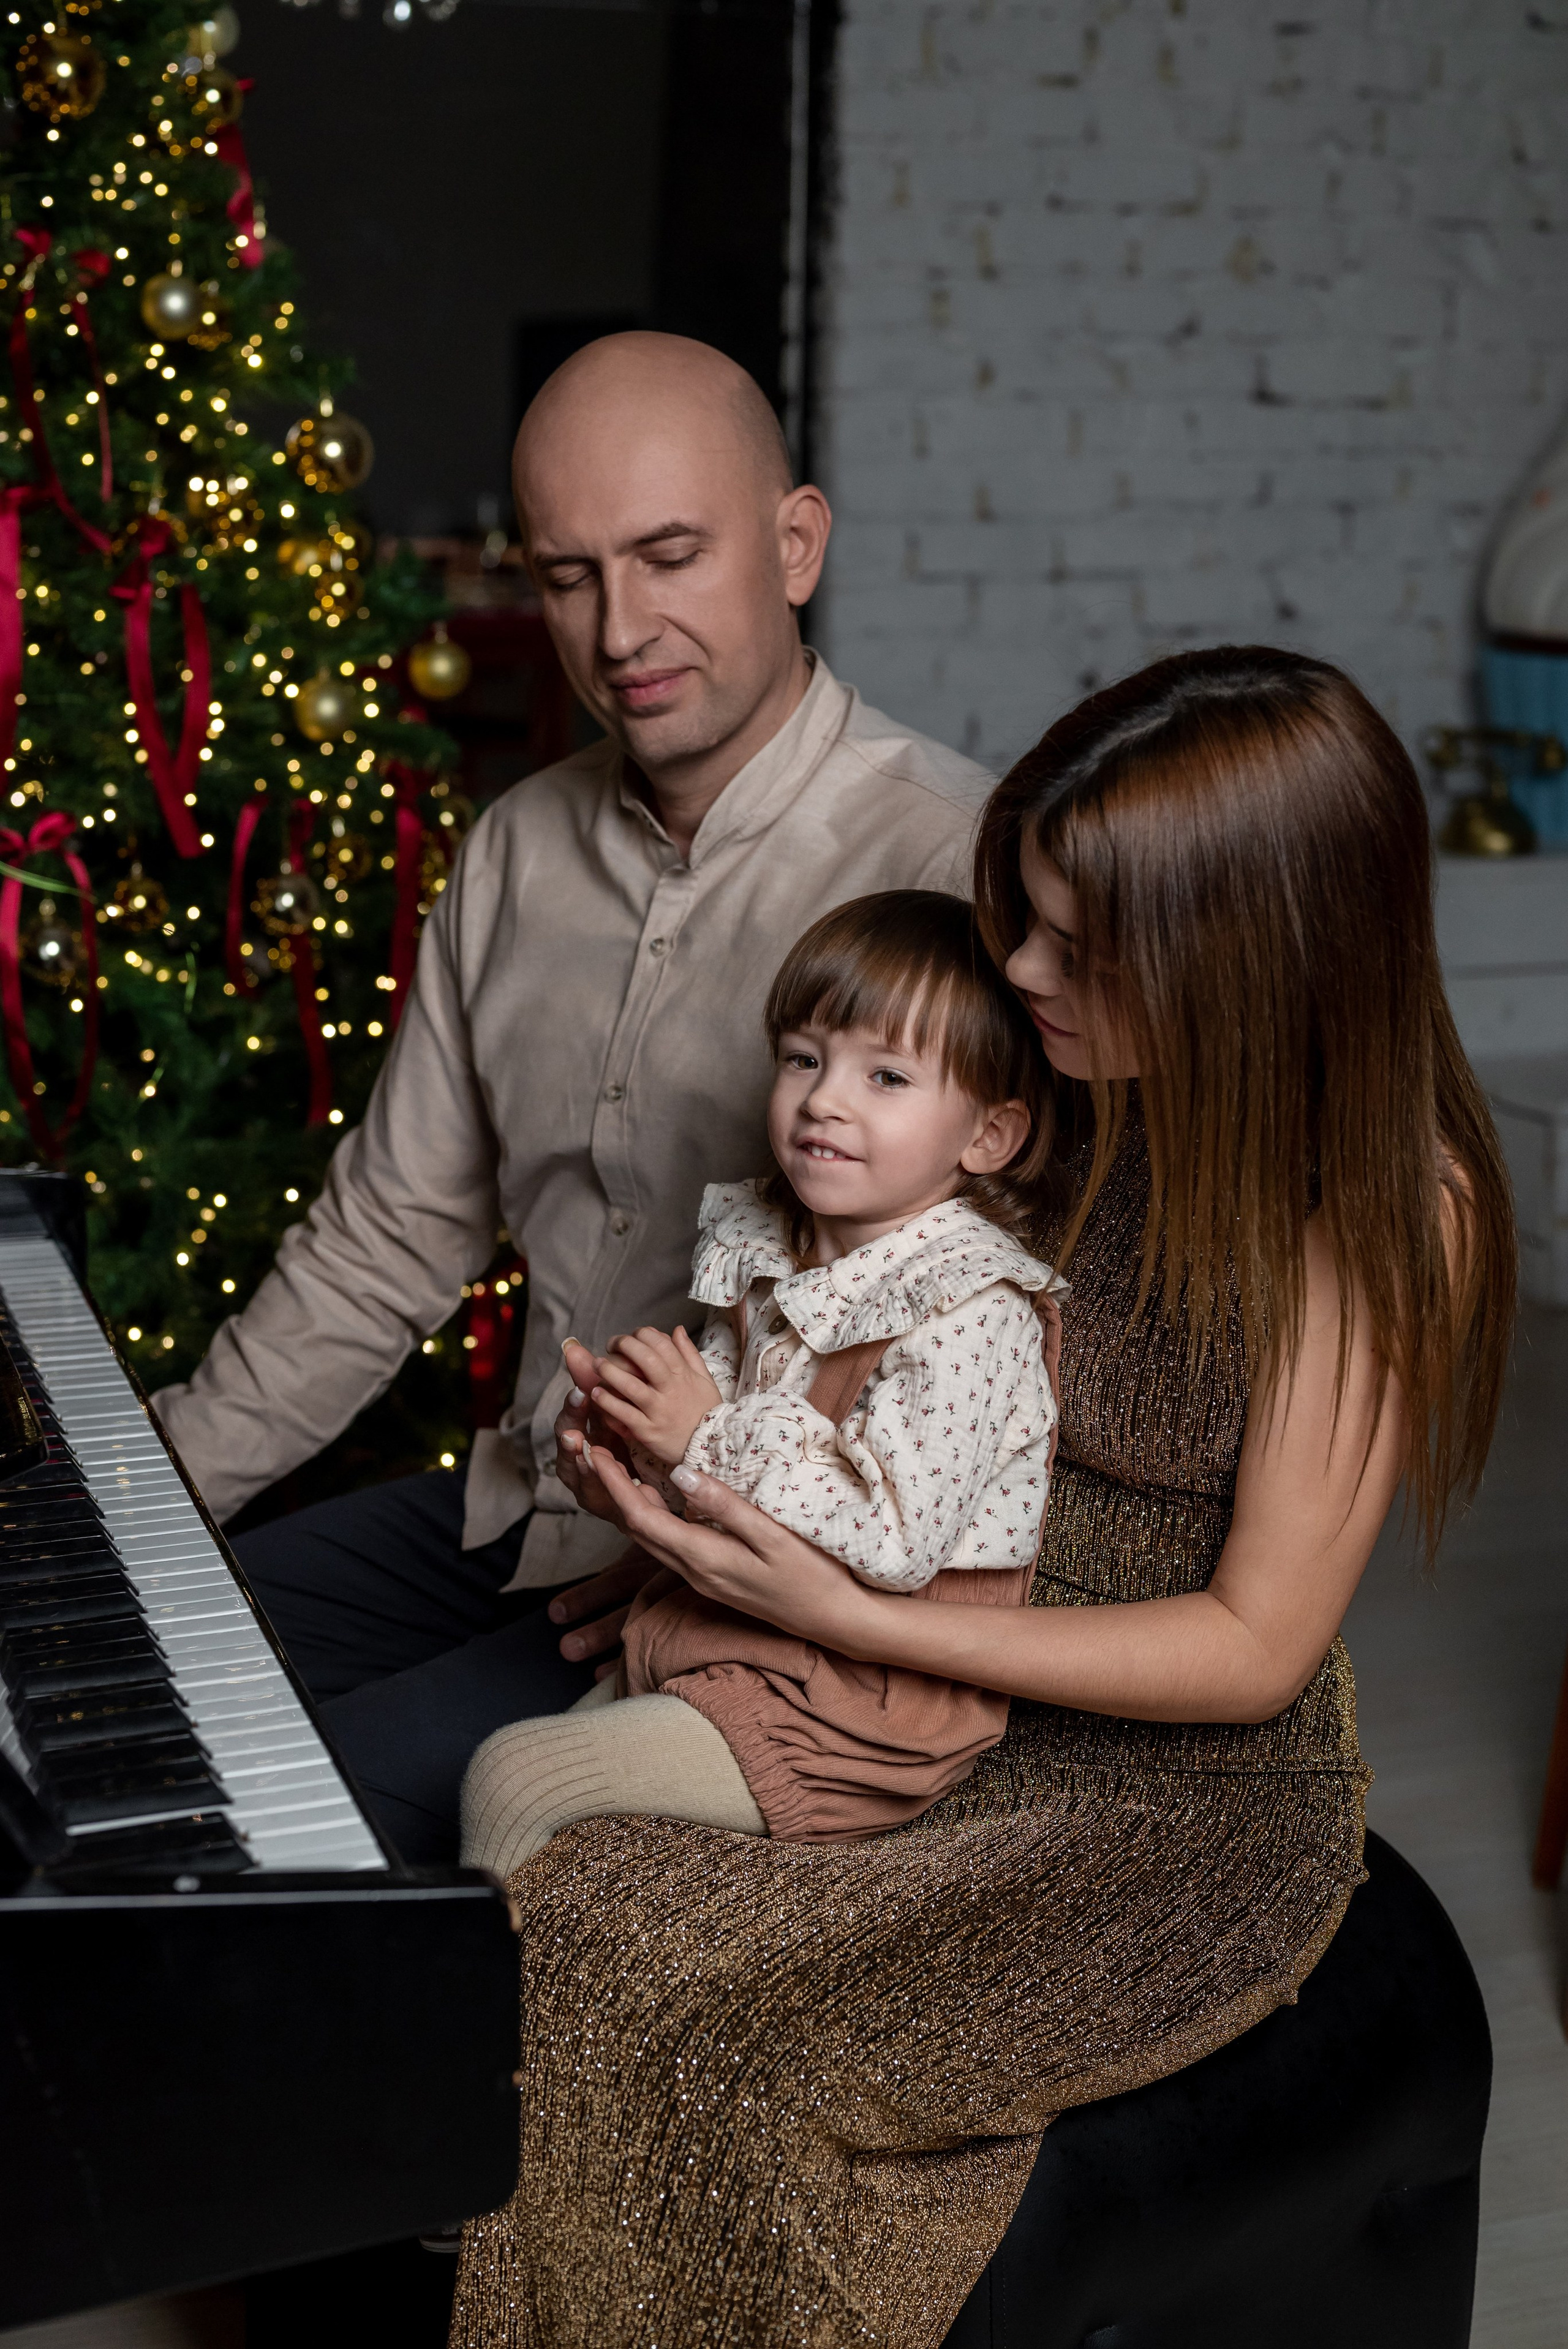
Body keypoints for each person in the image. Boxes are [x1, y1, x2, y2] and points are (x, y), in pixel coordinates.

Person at [448, 646, 1515, 2349]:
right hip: (927, 1662)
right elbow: (892, 1368)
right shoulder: (1073, 1084)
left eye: (1081, 948)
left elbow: (1253, 1645)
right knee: (574, 1906)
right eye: (1022, 916)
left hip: (1176, 1798)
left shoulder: (1389, 1197)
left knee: (726, 2024)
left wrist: (837, 1610)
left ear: (1250, 955)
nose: (1021, 971)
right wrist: (719, 1559)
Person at [149, 333, 992, 1864]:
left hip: (726, 1588)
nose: (619, 629)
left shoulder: (950, 871)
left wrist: (723, 1576)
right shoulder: (514, 849)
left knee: (274, 1820)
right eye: (566, 574)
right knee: (135, 1658)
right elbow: (384, 1236)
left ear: (796, 544)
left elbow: (987, 1328)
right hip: (519, 1504)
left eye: (671, 555)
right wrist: (153, 1490)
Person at [459, 891, 1066, 1874]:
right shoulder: (775, 1252)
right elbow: (720, 1477)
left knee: (516, 1779)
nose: (826, 1098)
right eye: (803, 1057)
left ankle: (464, 2022)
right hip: (731, 1633)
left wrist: (703, 1433)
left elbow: (893, 1542)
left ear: (987, 1138)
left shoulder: (971, 1311)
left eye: (886, 1075)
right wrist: (633, 1455)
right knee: (541, 1795)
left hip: (859, 1701)